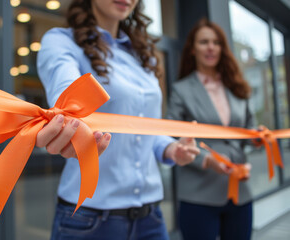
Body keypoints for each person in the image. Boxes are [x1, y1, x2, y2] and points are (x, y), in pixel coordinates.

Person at [35, 0, 200, 239]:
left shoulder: (142, 56)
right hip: (88, 220)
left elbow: (144, 128)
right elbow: (67, 92)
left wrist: (171, 148)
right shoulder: (61, 41)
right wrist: (70, 124)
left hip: (151, 217)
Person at [166, 18, 254, 240]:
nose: (211, 47)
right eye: (204, 42)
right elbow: (173, 134)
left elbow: (248, 128)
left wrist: (258, 137)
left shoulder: (236, 87)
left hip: (239, 191)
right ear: (193, 49)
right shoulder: (181, 90)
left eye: (216, 42)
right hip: (198, 193)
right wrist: (206, 159)